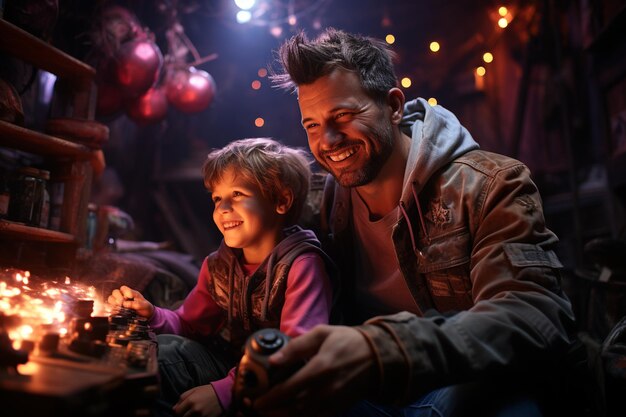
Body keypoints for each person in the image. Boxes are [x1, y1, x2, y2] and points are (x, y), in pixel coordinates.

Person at [249, 28, 586, 417]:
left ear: (393, 106)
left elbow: (534, 312)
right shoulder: (330, 199)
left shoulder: (491, 183)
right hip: (377, 392)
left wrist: (384, 349)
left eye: (343, 115)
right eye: (311, 125)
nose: (327, 140)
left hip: (465, 385)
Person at [107, 138, 336, 417]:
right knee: (156, 352)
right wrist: (152, 313)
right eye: (217, 198)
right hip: (237, 368)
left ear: (281, 201)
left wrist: (225, 391)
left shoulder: (302, 266)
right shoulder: (219, 266)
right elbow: (189, 324)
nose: (223, 208)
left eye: (238, 194)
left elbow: (299, 351)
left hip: (289, 383)